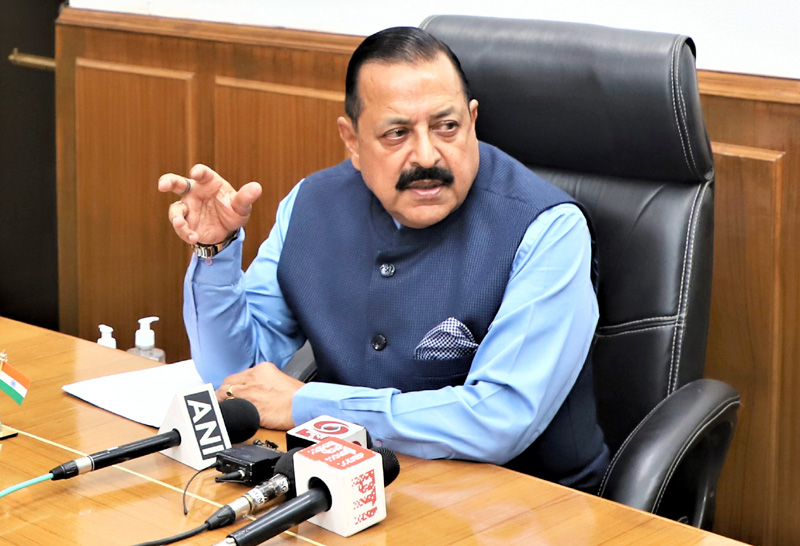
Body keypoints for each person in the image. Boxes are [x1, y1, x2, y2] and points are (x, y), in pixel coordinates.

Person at [158, 26, 609, 492]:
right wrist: (216, 254)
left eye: (447, 126)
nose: (428, 155)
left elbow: (499, 418)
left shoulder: (547, 228)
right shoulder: (310, 205)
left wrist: (309, 404)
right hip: (352, 488)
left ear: (473, 120)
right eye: (397, 133)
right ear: (351, 140)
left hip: (528, 504)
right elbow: (236, 377)